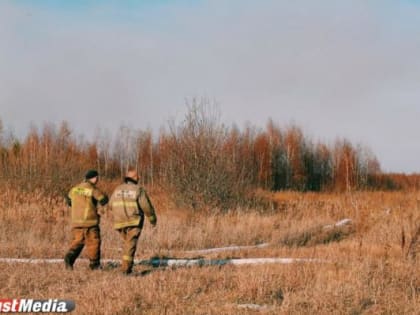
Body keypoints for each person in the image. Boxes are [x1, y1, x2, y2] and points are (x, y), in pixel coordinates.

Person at [109, 169, 157, 274]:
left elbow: (110, 204)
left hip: (119, 222)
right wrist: (153, 219)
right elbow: (146, 207)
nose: (139, 178)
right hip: (134, 221)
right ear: (135, 178)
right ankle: (125, 270)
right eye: (138, 177)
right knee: (130, 246)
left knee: (127, 245)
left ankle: (126, 266)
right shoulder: (138, 189)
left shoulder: (117, 189)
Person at [64, 169, 109, 270]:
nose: (97, 180)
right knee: (94, 242)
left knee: (78, 241)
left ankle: (69, 257)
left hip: (76, 221)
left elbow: (68, 201)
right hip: (90, 221)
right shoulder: (92, 189)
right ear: (94, 178)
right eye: (97, 178)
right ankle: (94, 265)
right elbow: (103, 200)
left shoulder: (74, 189)